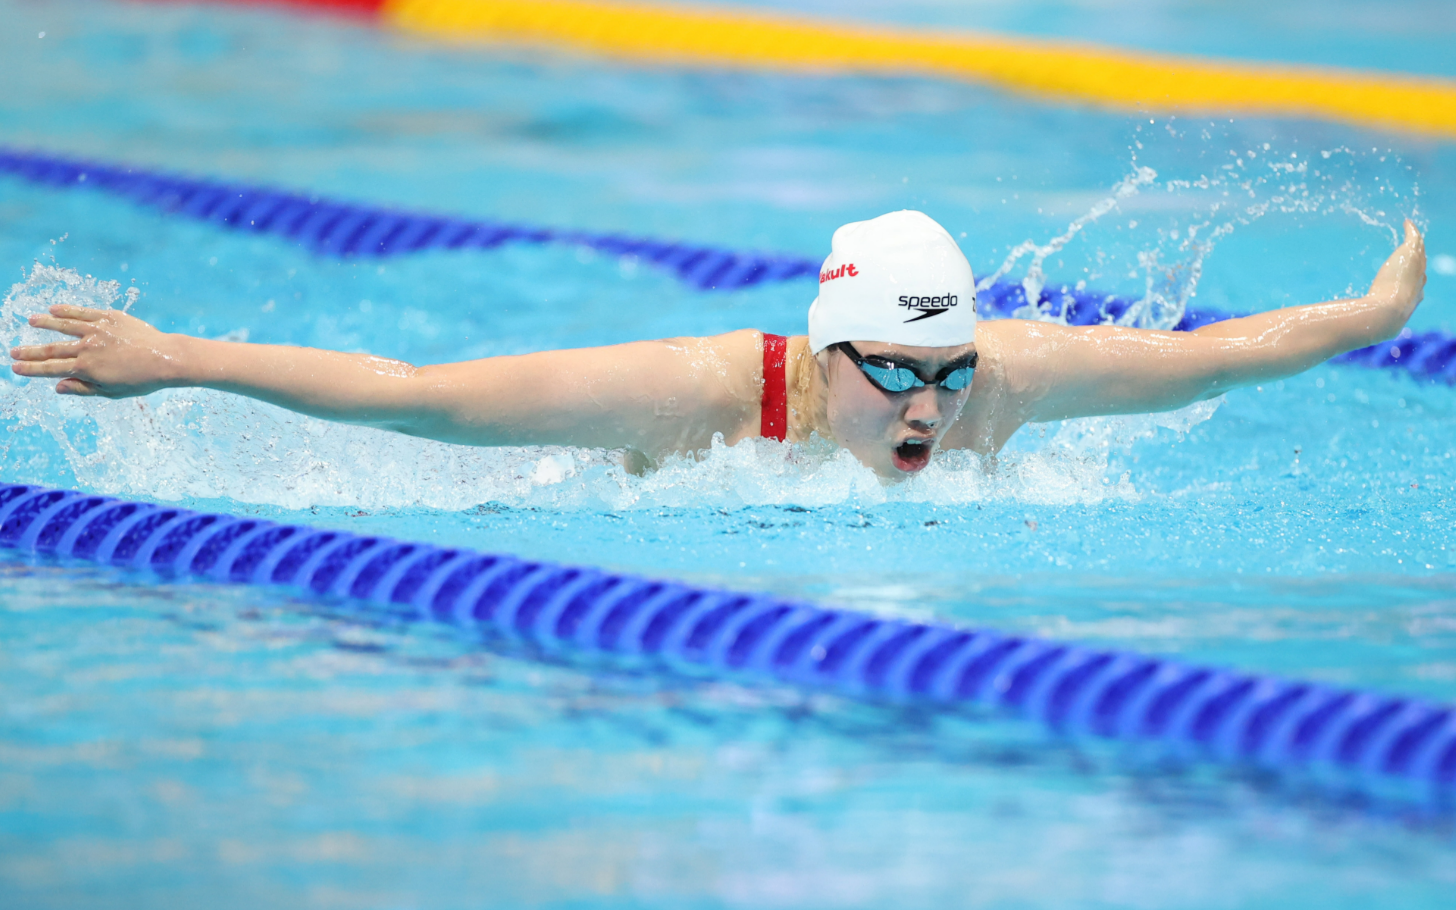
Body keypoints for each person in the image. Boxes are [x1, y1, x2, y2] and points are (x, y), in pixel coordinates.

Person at [8, 211, 1427, 479]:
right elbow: (426, 400)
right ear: (826, 360)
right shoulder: (707, 397)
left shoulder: (1003, 383)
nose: (932, 404)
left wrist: (1365, 319)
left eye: (951, 370)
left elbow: (1224, 356)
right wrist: (179, 355)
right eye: (900, 371)